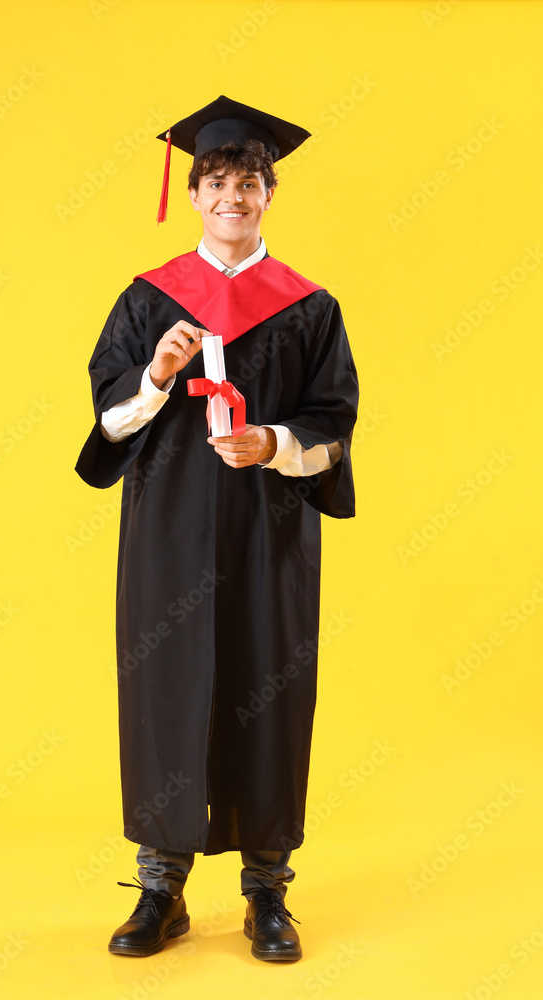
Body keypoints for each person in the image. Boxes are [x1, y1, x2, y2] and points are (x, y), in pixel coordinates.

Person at [75, 95, 359, 963]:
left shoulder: (309, 308)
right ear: (192, 196)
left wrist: (272, 442)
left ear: (268, 195)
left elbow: (334, 421)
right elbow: (108, 419)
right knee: (164, 687)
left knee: (267, 686)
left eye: (248, 182)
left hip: (267, 535)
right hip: (164, 530)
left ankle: (267, 895)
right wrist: (157, 375)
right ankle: (159, 889)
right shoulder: (146, 300)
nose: (232, 196)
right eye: (216, 183)